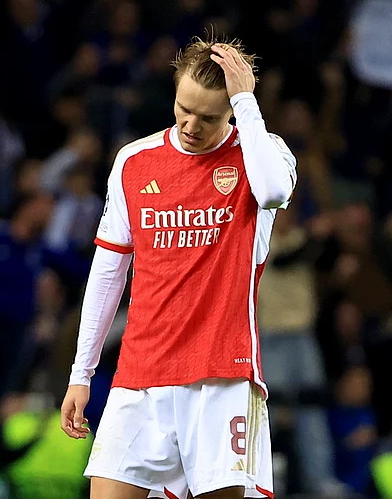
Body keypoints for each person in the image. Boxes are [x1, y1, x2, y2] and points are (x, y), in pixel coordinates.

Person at [60, 35, 296, 499]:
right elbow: (107, 273)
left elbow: (273, 192)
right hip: (140, 375)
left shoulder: (261, 155)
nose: (191, 125)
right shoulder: (134, 162)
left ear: (232, 111)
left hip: (222, 377)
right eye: (184, 109)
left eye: (208, 117)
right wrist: (81, 373)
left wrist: (246, 102)